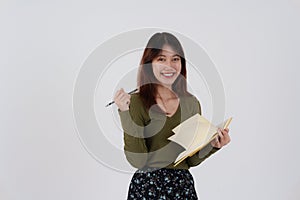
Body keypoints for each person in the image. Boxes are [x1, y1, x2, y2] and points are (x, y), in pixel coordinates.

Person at [114, 32, 230, 199]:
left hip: (181, 187)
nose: (170, 65)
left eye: (175, 59)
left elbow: (190, 160)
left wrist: (213, 145)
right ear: (149, 63)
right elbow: (137, 161)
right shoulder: (136, 102)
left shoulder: (191, 104)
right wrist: (125, 113)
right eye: (161, 59)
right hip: (147, 188)